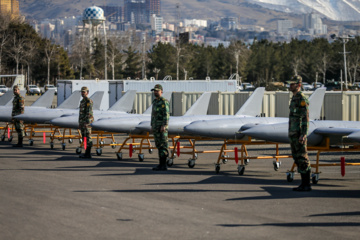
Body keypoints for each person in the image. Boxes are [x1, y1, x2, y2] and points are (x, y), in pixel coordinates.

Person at [288, 75, 311, 191]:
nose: (290, 85)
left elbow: (305, 118)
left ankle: (307, 184)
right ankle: (303, 184)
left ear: (299, 85)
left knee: (303, 158)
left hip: (299, 134)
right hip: (293, 134)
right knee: (297, 158)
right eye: (290, 83)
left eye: (293, 84)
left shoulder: (302, 98)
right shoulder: (294, 98)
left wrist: (303, 134)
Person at [151, 84, 170, 171]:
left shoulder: (164, 101)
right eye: (154, 91)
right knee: (158, 145)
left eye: (157, 91)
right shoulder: (155, 102)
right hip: (156, 127)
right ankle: (160, 164)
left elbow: (166, 114)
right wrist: (152, 125)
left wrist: (164, 125)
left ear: (161, 91)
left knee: (163, 145)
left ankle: (164, 165)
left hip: (162, 127)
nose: (155, 92)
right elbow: (153, 115)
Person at [78, 86, 94, 158]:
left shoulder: (88, 101)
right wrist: (80, 122)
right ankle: (86, 153)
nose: (82, 93)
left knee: (88, 137)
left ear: (87, 93)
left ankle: (88, 153)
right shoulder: (82, 101)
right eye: (82, 92)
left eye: (84, 92)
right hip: (82, 123)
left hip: (87, 123)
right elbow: (81, 113)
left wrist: (86, 122)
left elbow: (89, 113)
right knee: (84, 137)